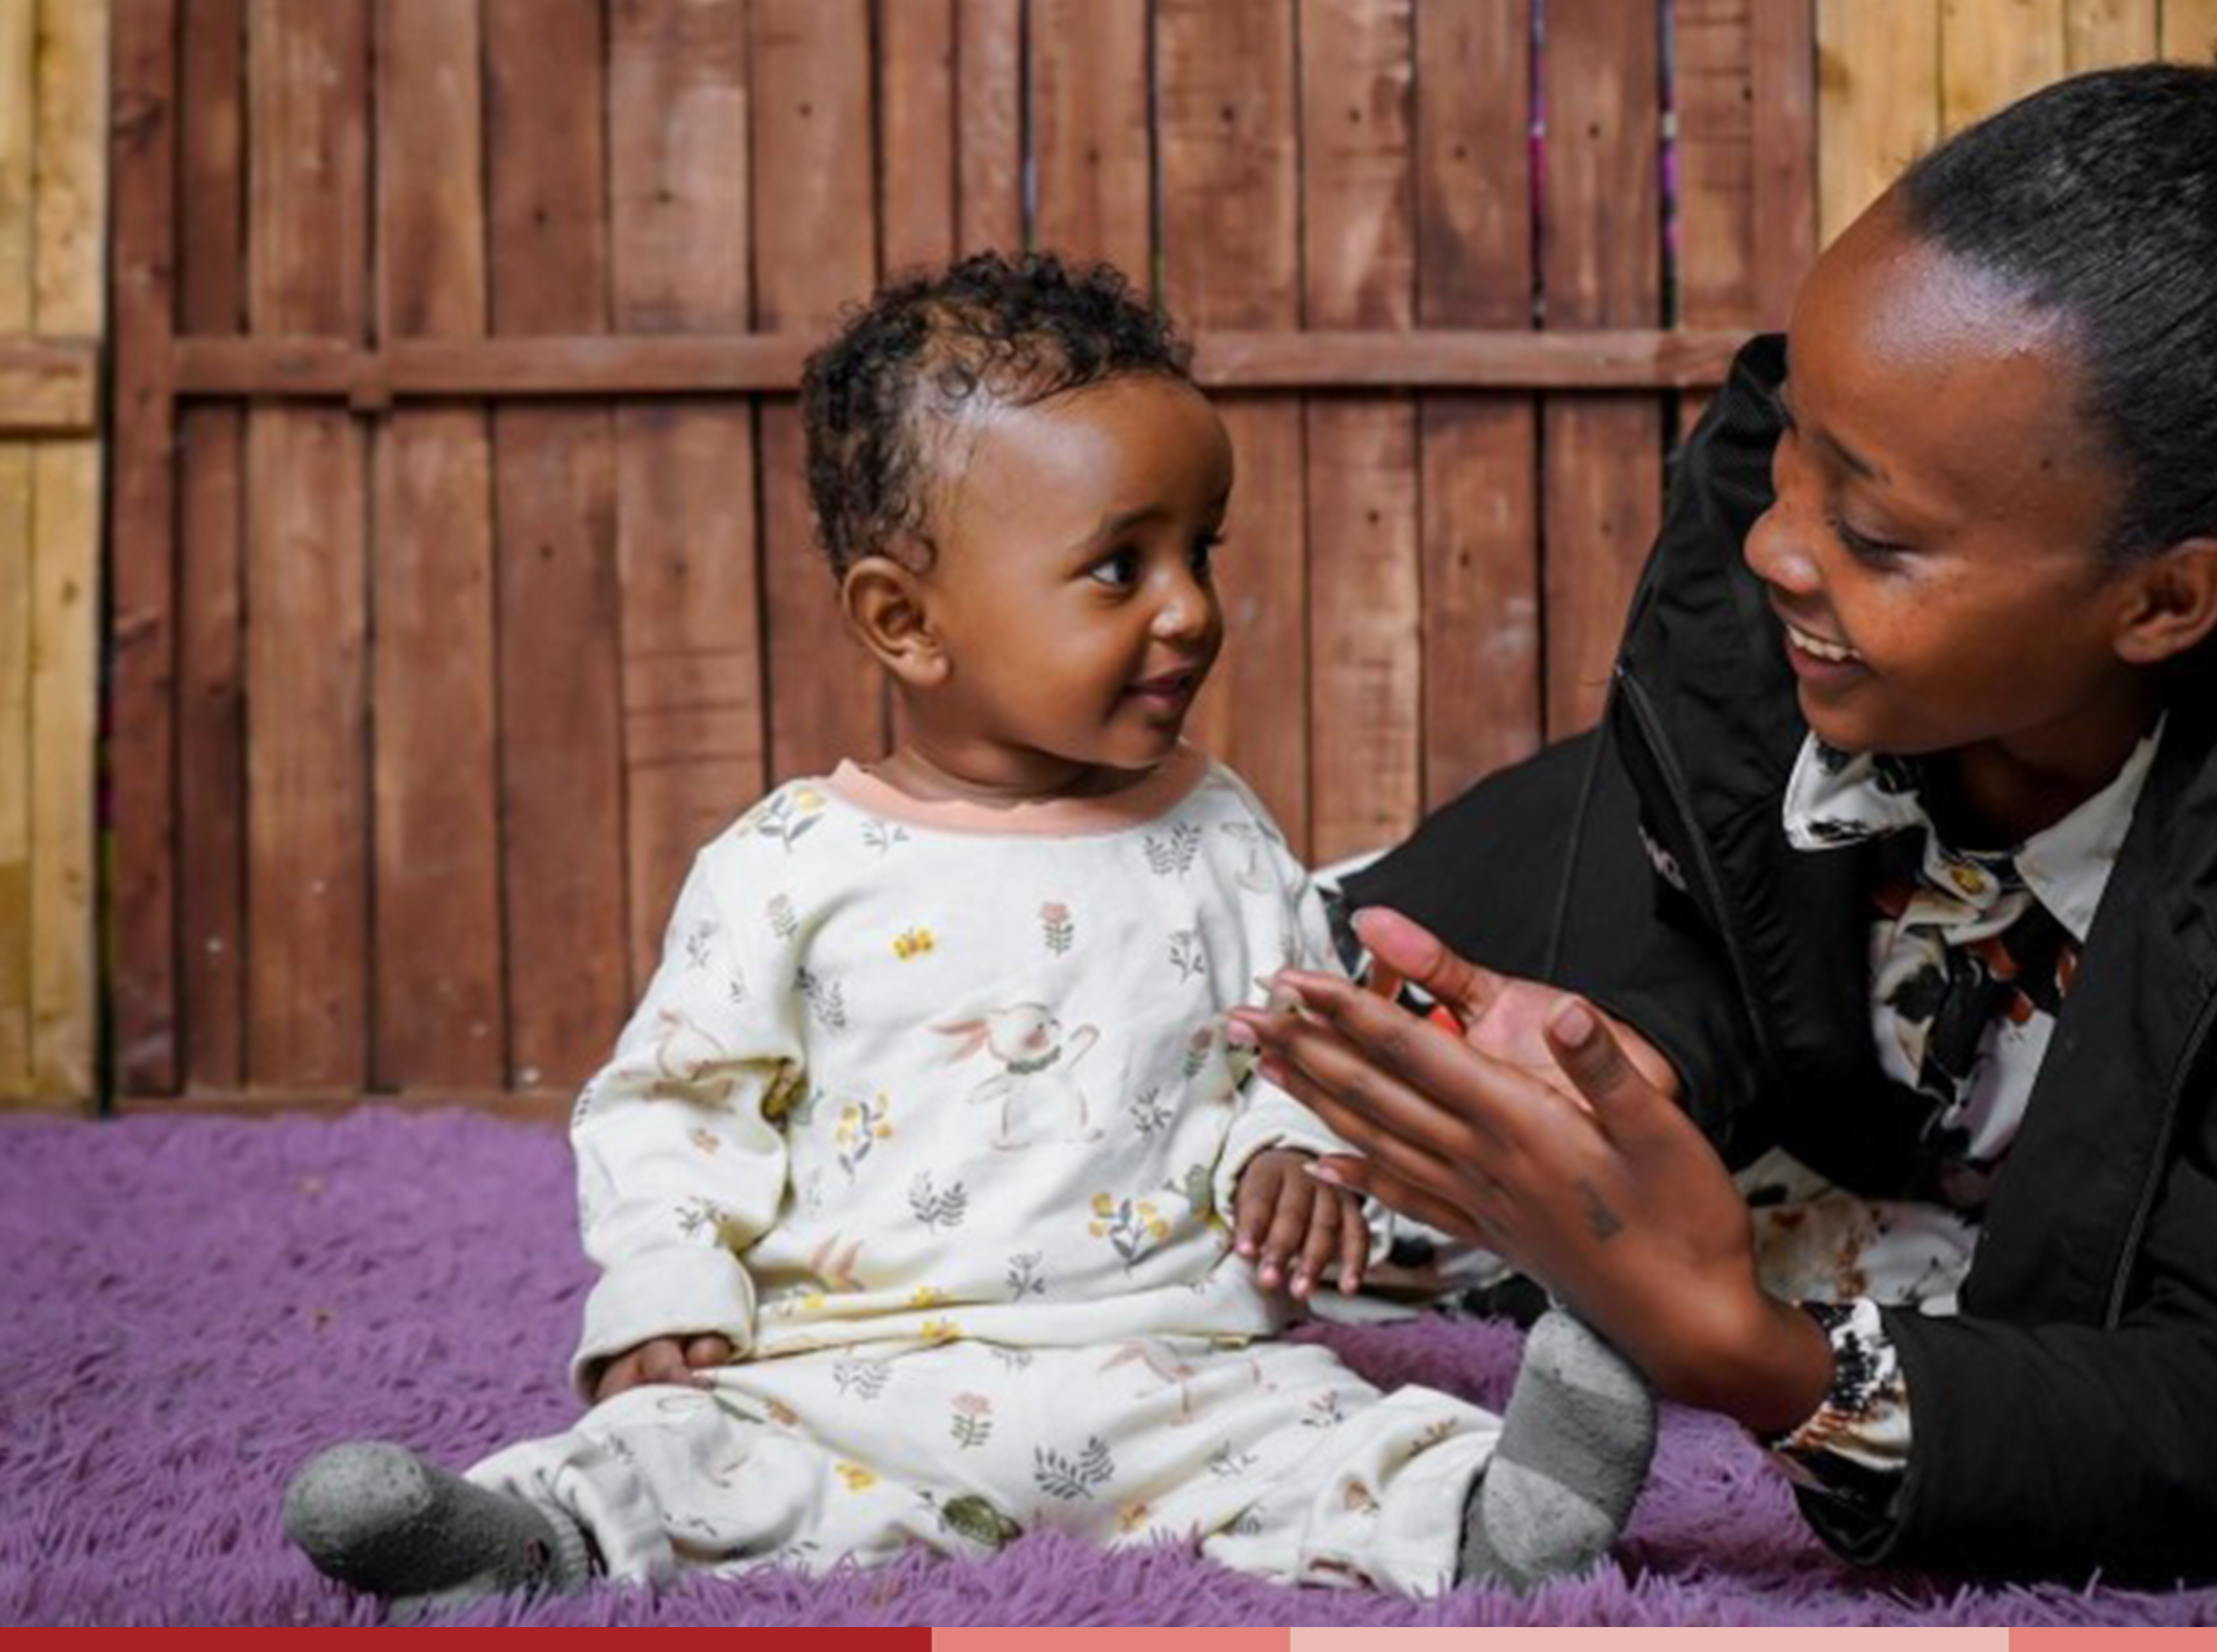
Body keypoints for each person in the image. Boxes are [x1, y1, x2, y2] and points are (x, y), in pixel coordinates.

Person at [1231, 0, 2217, 1582]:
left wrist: (1751, 1351)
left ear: (2164, 602)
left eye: (1876, 538)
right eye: (1795, 444)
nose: (1773, 543)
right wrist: (1640, 1053)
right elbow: (1699, 908)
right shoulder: (1781, 593)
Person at [278, 253, 1655, 1613]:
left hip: (1175, 1364)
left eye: (1201, 551)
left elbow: (1291, 1049)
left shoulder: (1223, 833)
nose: (1190, 608)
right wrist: (666, 1280)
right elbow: (676, 1104)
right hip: (848, 1380)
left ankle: (1490, 1517)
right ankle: (523, 1541)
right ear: (905, 622)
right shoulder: (791, 865)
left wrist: (1291, 1158)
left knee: (1331, 1433)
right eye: (1120, 566)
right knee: (681, 1455)